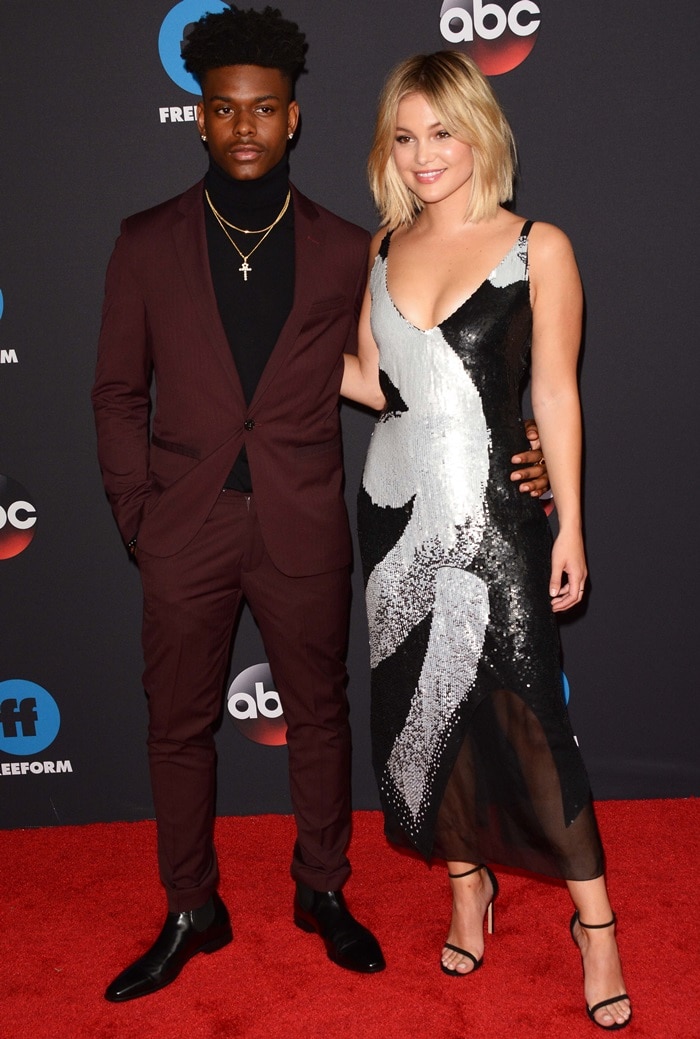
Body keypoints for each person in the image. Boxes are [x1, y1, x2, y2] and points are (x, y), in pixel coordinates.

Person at [92, 7, 549, 1003]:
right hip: (183, 528)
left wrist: (526, 451)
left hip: (302, 522)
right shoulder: (145, 241)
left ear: (292, 119)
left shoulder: (355, 248)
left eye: (264, 109)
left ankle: (322, 889)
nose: (245, 126)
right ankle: (188, 908)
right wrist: (138, 514)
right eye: (224, 109)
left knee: (320, 715)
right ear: (201, 119)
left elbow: (421, 368)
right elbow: (118, 391)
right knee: (174, 725)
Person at [341, 51, 631, 1031]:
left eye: (442, 132)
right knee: (415, 715)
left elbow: (554, 388)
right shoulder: (381, 247)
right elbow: (373, 381)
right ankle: (468, 886)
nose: (424, 155)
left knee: (529, 723)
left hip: (498, 511)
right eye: (406, 134)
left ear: (479, 133)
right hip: (392, 520)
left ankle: (596, 929)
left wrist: (572, 521)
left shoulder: (535, 244)